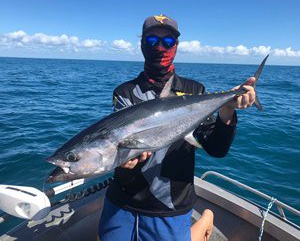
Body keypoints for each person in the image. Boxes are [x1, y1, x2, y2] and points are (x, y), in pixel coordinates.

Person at [98, 14, 256, 241]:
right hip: (121, 200)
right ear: (142, 44)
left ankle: (205, 219)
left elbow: (216, 149)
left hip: (170, 205)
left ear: (177, 46)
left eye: (168, 42)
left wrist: (227, 111)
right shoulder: (125, 92)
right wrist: (122, 161)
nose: (160, 47)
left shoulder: (195, 91)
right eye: (152, 40)